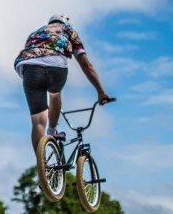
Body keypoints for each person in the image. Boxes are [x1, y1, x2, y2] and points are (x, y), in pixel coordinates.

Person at [14, 14, 112, 154]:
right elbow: (86, 66)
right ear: (65, 23)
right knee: (54, 94)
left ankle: (43, 168)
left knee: (37, 122)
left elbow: (32, 53)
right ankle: (52, 131)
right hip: (56, 67)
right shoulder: (68, 30)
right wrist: (100, 92)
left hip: (30, 68)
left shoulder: (35, 33)